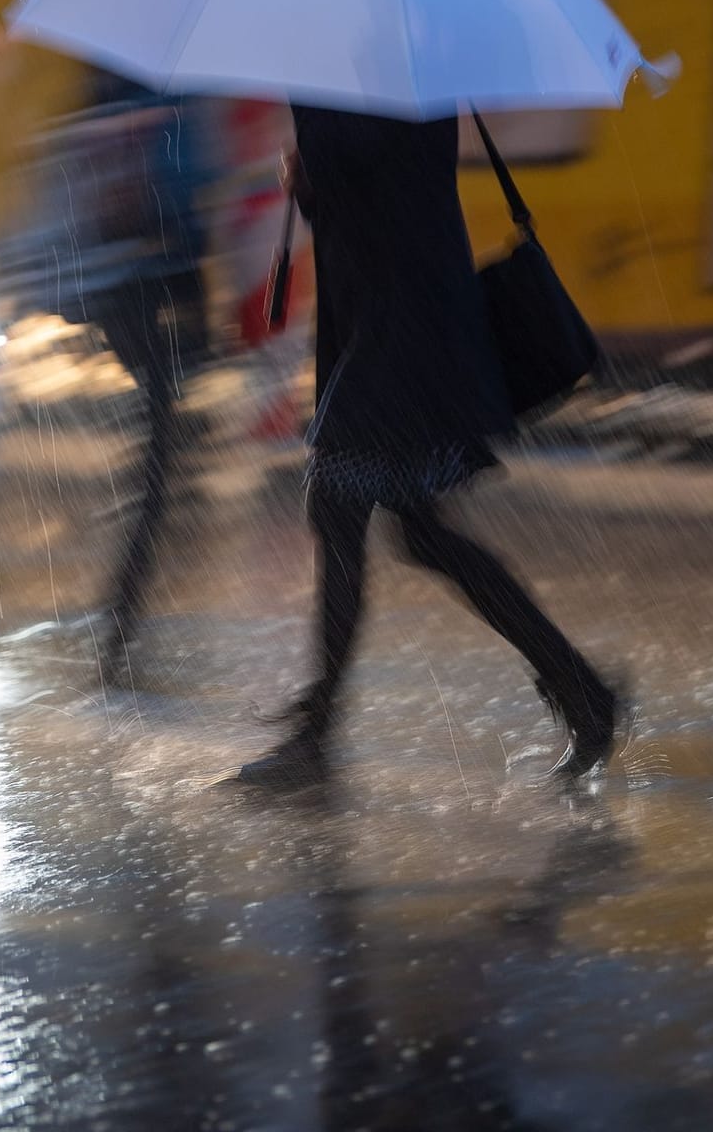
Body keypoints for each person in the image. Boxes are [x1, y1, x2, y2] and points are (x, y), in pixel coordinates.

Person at [236, 105, 625, 790]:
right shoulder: (372, 73)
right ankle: (584, 691)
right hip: (389, 327)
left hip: (406, 331)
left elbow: (383, 188)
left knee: (339, 503)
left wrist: (314, 164)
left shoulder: (394, 77)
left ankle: (316, 738)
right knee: (420, 532)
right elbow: (369, 206)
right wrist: (312, 187)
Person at [73, 74, 214, 679]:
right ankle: (120, 620)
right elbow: (188, 203)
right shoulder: (172, 99)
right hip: (154, 291)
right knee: (160, 468)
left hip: (121, 293)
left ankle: (123, 613)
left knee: (161, 460)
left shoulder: (104, 89)